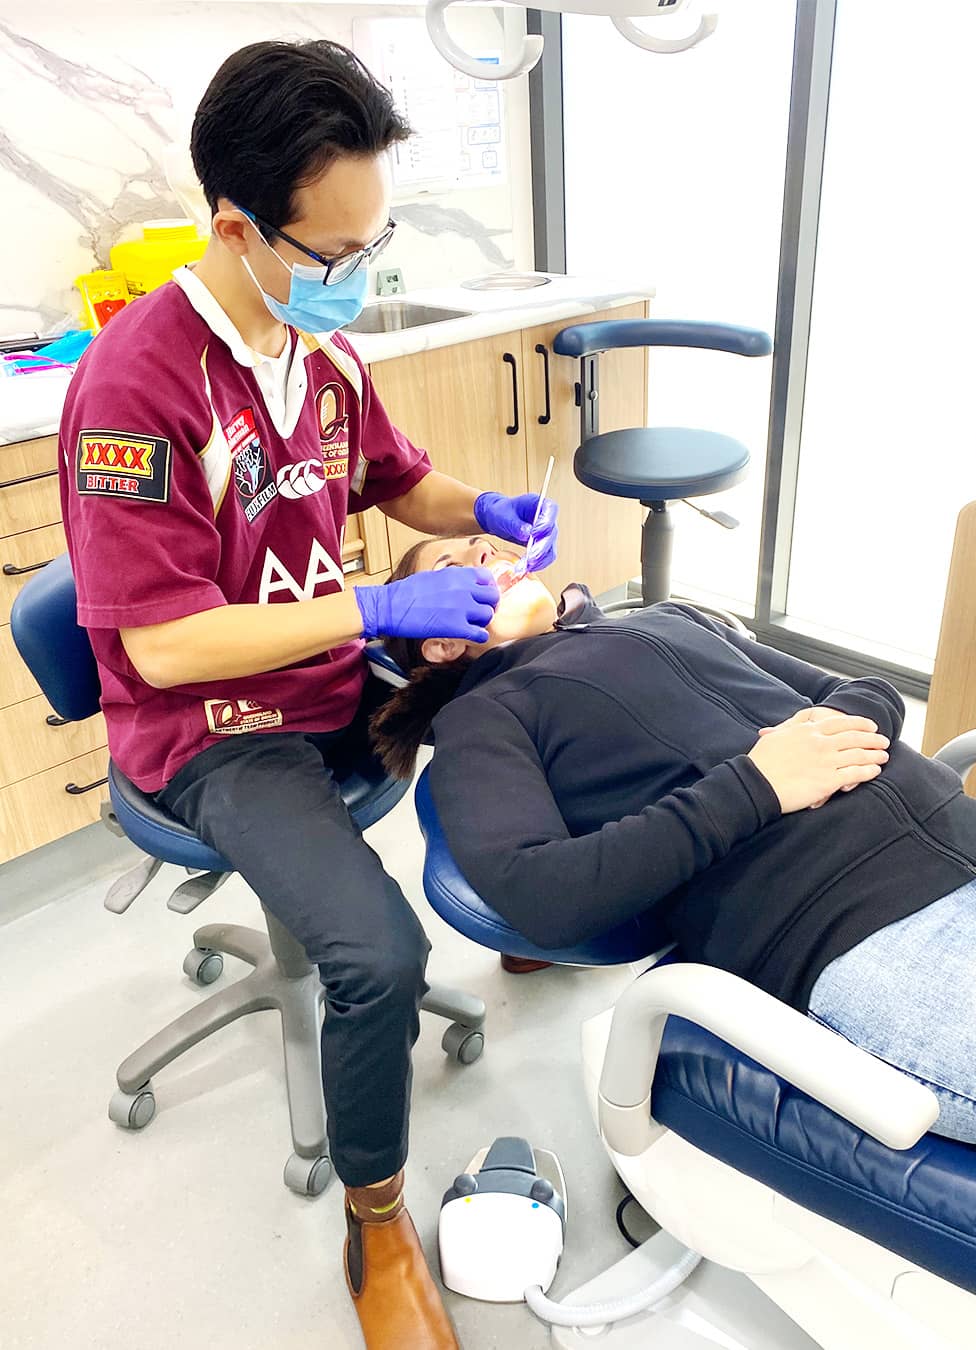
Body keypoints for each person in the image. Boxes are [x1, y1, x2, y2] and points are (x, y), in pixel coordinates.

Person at [59, 42, 558, 1350]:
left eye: (370, 247)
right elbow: (164, 651)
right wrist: (384, 609)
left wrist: (483, 507)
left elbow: (398, 481)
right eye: (338, 255)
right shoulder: (137, 386)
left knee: (562, 660)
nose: (359, 279)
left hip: (329, 668)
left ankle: (526, 897)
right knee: (379, 955)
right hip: (215, 730)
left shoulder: (315, 349)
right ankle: (377, 1218)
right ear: (237, 227)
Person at [370, 533, 976, 1181]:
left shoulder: (662, 618)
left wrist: (824, 735)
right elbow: (543, 893)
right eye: (452, 560)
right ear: (439, 645)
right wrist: (761, 784)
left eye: (487, 540)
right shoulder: (483, 717)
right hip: (862, 930)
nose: (486, 546)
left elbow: (860, 692)